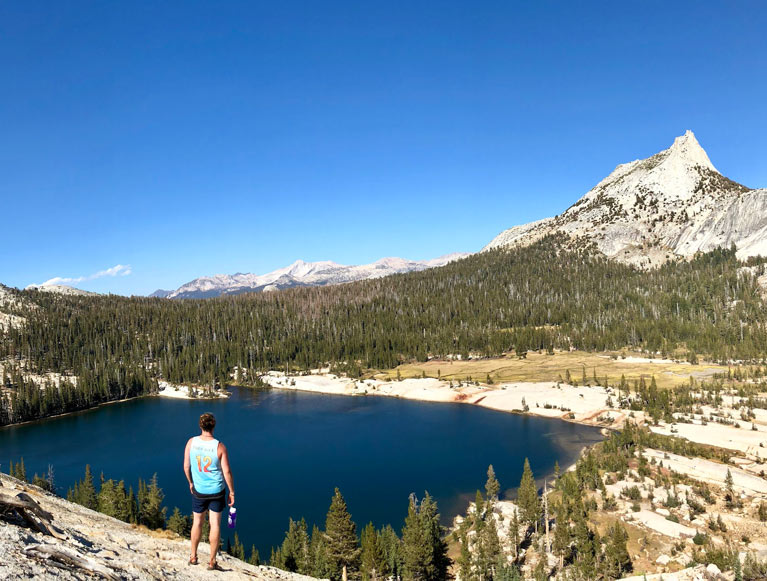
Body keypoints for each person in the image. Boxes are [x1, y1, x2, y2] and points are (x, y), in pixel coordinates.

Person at [183, 412, 235, 570]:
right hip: (217, 491)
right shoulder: (219, 446)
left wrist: (191, 482)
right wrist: (231, 492)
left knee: (197, 522)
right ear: (214, 425)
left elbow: (186, 466)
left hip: (199, 490)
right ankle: (212, 561)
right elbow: (226, 472)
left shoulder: (191, 442)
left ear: (200, 426)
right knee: (215, 524)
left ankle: (193, 556)